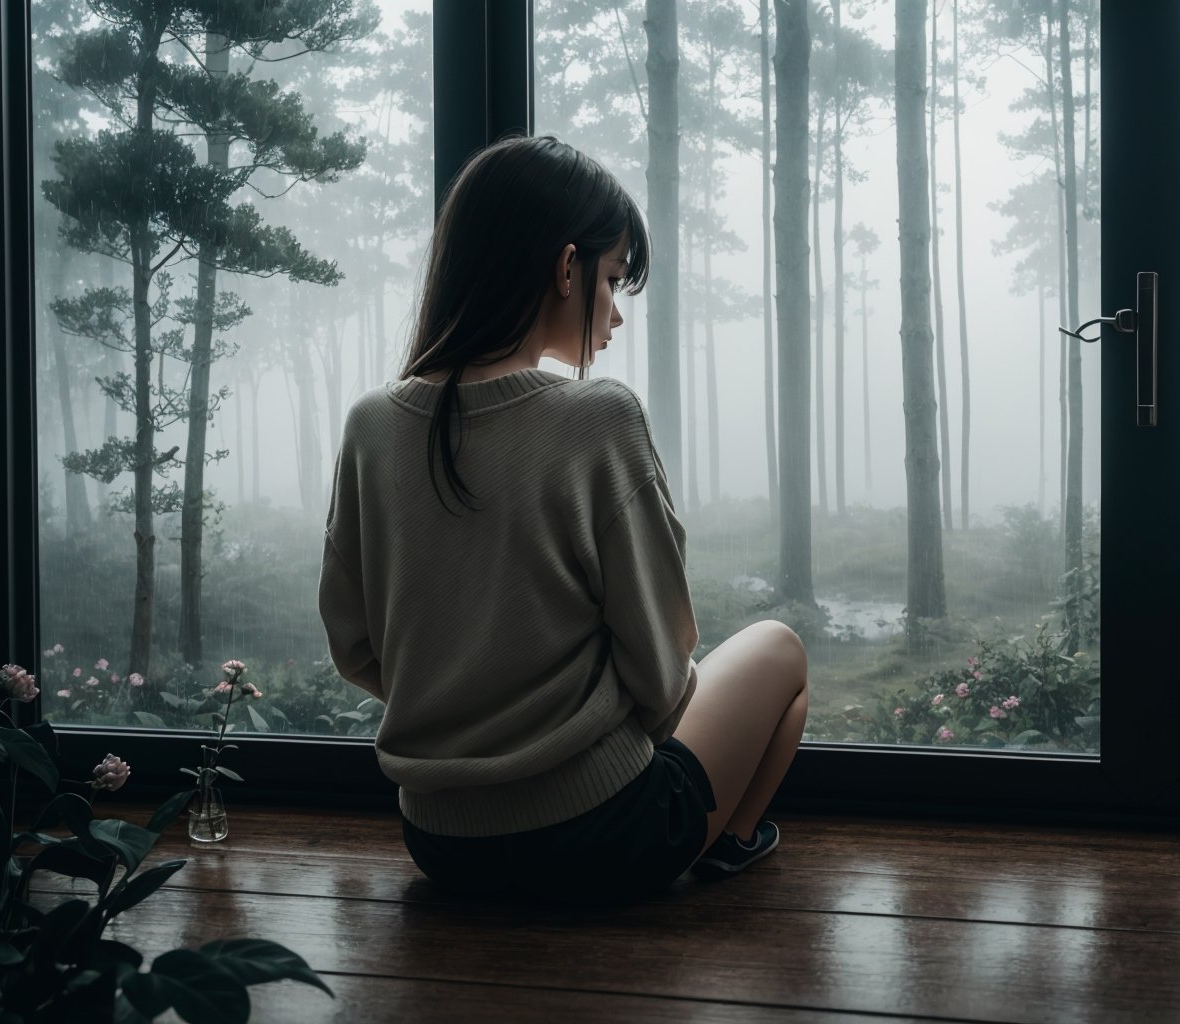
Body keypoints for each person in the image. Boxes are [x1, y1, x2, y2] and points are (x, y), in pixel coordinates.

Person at [317, 135, 810, 907]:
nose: (614, 311)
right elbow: (660, 667)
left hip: (438, 843)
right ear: (565, 267)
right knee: (780, 651)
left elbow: (354, 645)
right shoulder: (598, 419)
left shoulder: (371, 424)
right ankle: (727, 842)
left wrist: (465, 714)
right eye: (612, 279)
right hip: (602, 837)